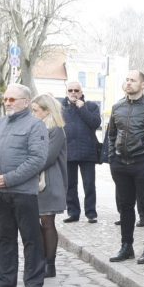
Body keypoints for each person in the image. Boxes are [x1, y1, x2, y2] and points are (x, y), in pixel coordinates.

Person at [0, 83, 49, 287]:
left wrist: (7, 179)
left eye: (12, 99)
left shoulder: (35, 126)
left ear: (26, 102)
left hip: (23, 192)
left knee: (31, 238)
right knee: (2, 237)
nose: (7, 102)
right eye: (5, 99)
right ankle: (6, 281)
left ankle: (34, 284)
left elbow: (37, 159)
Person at [106, 70, 144, 265]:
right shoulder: (117, 107)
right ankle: (126, 246)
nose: (128, 83)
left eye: (133, 80)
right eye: (127, 80)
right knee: (125, 206)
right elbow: (111, 135)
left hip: (143, 163)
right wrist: (112, 159)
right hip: (120, 165)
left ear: (143, 85)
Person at [31, 94, 68, 279]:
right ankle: (41, 260)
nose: (33, 113)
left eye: (36, 110)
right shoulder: (36, 127)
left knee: (47, 223)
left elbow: (47, 157)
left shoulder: (56, 130)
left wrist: (26, 166)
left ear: (47, 111)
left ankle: (50, 264)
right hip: (35, 182)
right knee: (36, 223)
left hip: (50, 182)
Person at [61, 81, 101, 223]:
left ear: (81, 92)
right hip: (68, 151)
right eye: (70, 90)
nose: (73, 93)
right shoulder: (62, 107)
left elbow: (95, 123)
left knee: (89, 184)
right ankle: (73, 212)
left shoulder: (91, 106)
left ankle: (91, 213)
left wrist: (82, 108)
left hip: (87, 152)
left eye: (76, 90)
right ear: (67, 92)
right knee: (70, 185)